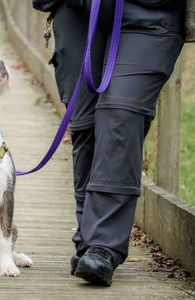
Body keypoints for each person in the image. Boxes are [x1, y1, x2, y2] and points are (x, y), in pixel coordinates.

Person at [32, 0, 184, 286]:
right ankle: (88, 236)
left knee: (119, 115)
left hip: (149, 14)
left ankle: (103, 245)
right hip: (77, 10)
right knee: (84, 124)